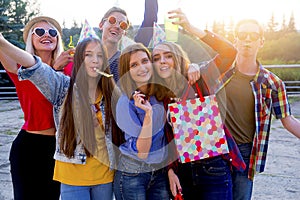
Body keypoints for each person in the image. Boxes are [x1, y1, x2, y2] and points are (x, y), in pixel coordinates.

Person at [0, 35, 122, 199]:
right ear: (79, 59)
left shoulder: (112, 94)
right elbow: (35, 66)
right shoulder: (64, 87)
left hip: (105, 177)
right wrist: (2, 42)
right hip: (72, 177)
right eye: (88, 55)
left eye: (100, 56)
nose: (95, 60)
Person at [151, 9, 245, 200]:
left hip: (213, 168)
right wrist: (170, 171)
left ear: (177, 57)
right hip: (184, 173)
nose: (162, 61)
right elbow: (166, 140)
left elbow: (229, 52)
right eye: (156, 58)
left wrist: (190, 28)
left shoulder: (199, 78)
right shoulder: (159, 95)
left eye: (168, 56)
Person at [214, 19, 300, 200]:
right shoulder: (218, 74)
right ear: (235, 40)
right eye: (242, 35)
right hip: (216, 150)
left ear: (261, 42)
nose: (247, 40)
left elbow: (288, 120)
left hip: (246, 154)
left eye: (253, 36)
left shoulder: (273, 83)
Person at [0, 16, 67, 200]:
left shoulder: (68, 67)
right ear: (31, 38)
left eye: (52, 32)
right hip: (28, 147)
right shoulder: (19, 68)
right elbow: (1, 45)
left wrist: (58, 70)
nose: (46, 35)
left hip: (57, 149)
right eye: (39, 31)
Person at [113, 43, 170, 200]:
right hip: (133, 173)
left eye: (145, 61)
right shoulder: (125, 103)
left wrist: (193, 67)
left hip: (160, 173)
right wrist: (148, 115)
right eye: (134, 65)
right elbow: (143, 153)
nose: (142, 68)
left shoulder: (160, 94)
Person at [99, 0, 158, 82]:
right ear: (101, 25)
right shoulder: (83, 56)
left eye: (123, 25)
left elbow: (150, 19)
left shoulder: (129, 59)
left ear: (124, 33)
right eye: (112, 20)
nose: (117, 26)